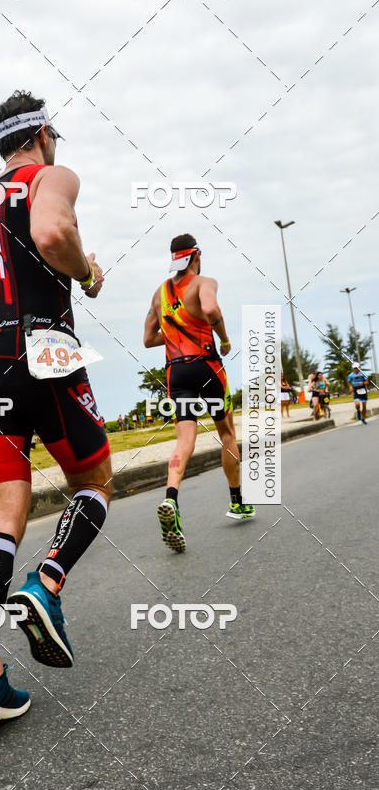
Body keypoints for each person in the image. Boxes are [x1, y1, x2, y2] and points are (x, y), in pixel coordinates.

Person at [0, 90, 111, 724]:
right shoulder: (53, 175)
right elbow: (51, 230)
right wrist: (86, 273)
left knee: (3, 512)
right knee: (95, 480)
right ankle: (47, 585)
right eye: (54, 136)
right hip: (45, 344)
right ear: (41, 134)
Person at [143, 233, 255, 552]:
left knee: (184, 440)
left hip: (176, 371)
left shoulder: (158, 294)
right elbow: (212, 310)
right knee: (227, 432)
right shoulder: (204, 282)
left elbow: (149, 339)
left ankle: (171, 498)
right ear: (196, 256)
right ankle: (237, 501)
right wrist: (225, 338)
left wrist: (176, 332)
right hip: (207, 365)